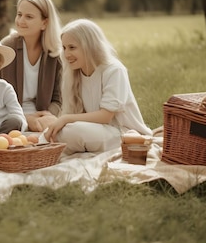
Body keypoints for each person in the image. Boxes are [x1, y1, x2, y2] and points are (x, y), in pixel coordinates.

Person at [44, 19, 152, 154]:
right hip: (96, 130)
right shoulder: (74, 73)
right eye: (64, 48)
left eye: (72, 47)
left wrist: (66, 119)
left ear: (89, 46)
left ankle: (56, 147)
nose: (66, 54)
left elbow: (105, 116)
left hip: (123, 133)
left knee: (73, 132)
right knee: (48, 134)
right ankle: (41, 151)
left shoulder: (114, 70)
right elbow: (73, 114)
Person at [0, 0, 63, 132]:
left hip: (44, 116)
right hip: (9, 118)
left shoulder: (55, 54)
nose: (21, 21)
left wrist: (46, 116)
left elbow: (58, 98)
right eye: (19, 14)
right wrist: (26, 118)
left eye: (29, 17)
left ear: (44, 23)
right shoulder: (6, 48)